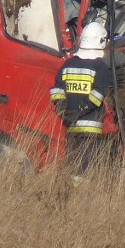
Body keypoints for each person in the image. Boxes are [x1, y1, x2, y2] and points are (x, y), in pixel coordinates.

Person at [50, 22, 111, 174]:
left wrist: (63, 110)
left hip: (71, 126)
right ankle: (83, 193)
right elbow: (97, 96)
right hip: (90, 128)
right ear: (100, 41)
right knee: (88, 168)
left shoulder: (67, 64)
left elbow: (56, 90)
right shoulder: (100, 67)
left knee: (74, 165)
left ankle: (73, 191)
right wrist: (80, 110)